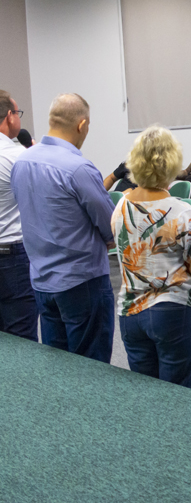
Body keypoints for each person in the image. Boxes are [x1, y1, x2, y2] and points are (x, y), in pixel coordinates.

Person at [10, 94, 115, 362]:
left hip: (42, 280)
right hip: (82, 281)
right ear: (82, 125)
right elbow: (111, 225)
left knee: (57, 368)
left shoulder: (22, 162)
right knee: (90, 367)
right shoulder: (78, 168)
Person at [112, 126, 191, 389]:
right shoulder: (182, 212)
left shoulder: (121, 205)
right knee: (178, 395)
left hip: (130, 312)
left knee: (146, 394)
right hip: (173, 311)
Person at [0, 91, 36, 341]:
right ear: (10, 116)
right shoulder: (17, 156)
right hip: (12, 256)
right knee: (21, 338)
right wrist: (34, 152)